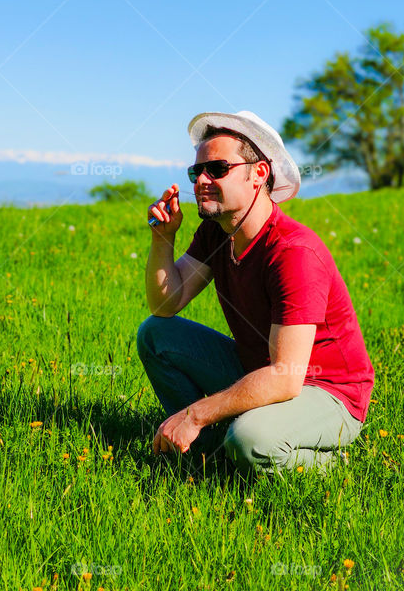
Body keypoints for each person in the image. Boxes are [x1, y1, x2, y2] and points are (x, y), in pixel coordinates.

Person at [138, 110, 374, 477]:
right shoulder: (217, 234)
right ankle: (204, 451)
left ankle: (332, 462)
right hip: (261, 369)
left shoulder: (294, 252)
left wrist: (194, 412)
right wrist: (162, 240)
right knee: (156, 334)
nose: (201, 180)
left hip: (326, 391)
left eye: (217, 169)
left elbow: (286, 375)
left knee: (249, 440)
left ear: (258, 173)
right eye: (195, 172)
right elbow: (165, 304)